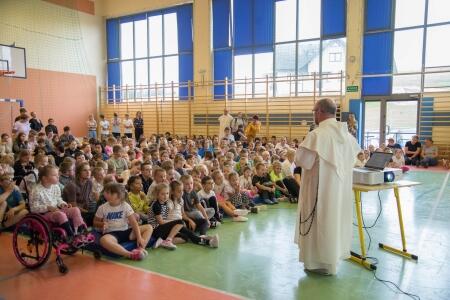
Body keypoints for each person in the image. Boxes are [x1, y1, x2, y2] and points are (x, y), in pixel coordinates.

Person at [294, 98, 360, 276]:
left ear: (320, 112)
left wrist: (291, 152)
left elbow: (302, 161)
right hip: (338, 192)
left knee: (319, 222)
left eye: (314, 111)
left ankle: (316, 263)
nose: (314, 114)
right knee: (333, 221)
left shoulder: (317, 135)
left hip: (319, 189)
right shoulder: (346, 136)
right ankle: (331, 262)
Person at [94, 182, 152, 260]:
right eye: (105, 192)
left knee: (149, 227)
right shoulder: (102, 208)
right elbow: (95, 223)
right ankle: (129, 254)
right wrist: (102, 224)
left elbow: (134, 223)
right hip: (112, 234)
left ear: (118, 195)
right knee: (103, 240)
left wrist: (139, 238)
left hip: (127, 231)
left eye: (109, 193)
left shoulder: (125, 206)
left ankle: (141, 250)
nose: (105, 194)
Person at [30, 165, 87, 239]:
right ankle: (71, 236)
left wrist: (63, 204)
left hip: (56, 210)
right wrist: (48, 208)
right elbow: (33, 208)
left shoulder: (56, 187)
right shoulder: (36, 190)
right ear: (45, 178)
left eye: (58, 175)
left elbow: (58, 199)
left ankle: (79, 231)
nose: (58, 177)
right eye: (54, 175)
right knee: (60, 214)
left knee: (75, 209)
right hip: (43, 215)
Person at [167, 180, 219, 247]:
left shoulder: (181, 200)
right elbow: (167, 218)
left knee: (204, 221)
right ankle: (209, 243)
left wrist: (189, 220)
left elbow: (183, 214)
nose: (181, 193)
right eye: (179, 191)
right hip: (175, 226)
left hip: (182, 222)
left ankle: (202, 235)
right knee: (190, 234)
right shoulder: (168, 202)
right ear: (172, 192)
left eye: (182, 191)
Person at [147, 183, 184, 250]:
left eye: (167, 193)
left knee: (184, 238)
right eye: (162, 194)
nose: (165, 196)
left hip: (162, 229)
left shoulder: (165, 203)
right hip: (155, 230)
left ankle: (162, 242)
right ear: (157, 195)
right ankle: (168, 240)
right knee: (180, 222)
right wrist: (174, 222)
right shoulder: (156, 205)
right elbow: (161, 222)